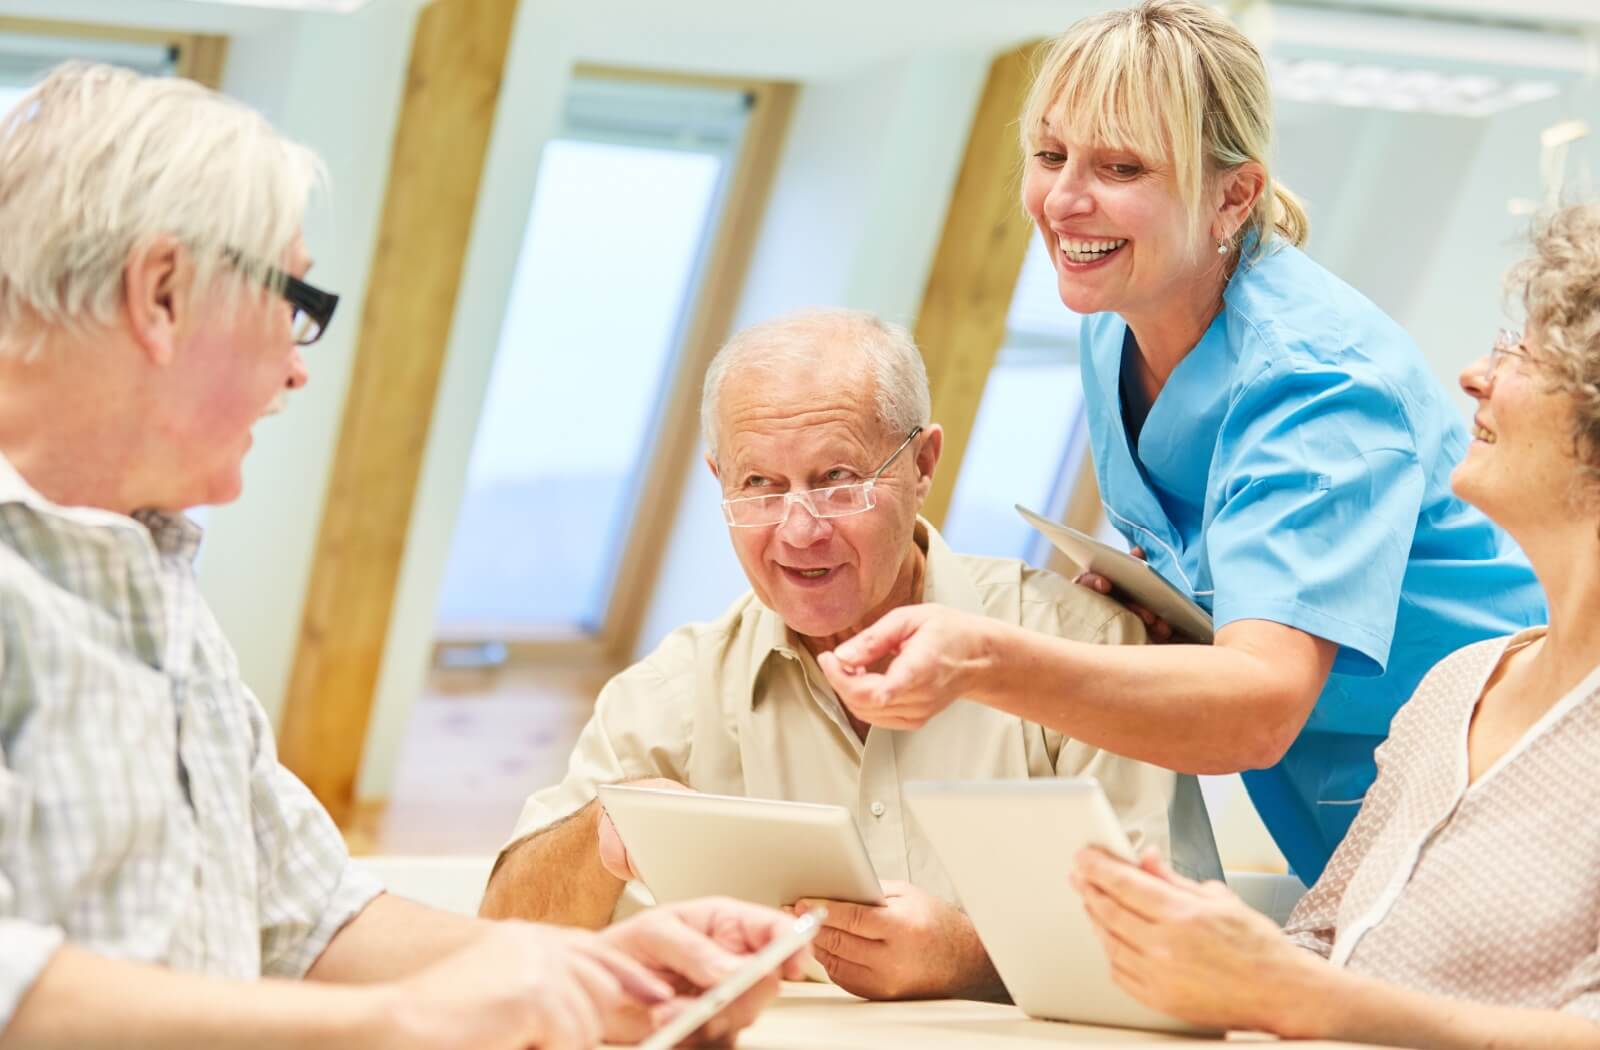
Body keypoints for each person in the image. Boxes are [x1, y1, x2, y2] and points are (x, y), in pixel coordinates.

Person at [0, 62, 806, 1050]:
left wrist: (602, 973)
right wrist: (400, 1022)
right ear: (161, 292)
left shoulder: (148, 578)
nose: (298, 363)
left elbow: (311, 916)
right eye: (292, 299)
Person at [816, 0, 1544, 883]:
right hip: (1336, 804)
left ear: (1235, 193)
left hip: (1491, 791)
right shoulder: (1116, 316)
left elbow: (1260, 705)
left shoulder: (1321, 381)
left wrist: (984, 657)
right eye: (1049, 156)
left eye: (1120, 166)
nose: (1064, 199)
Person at [481, 308, 1220, 1001]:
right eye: (760, 487)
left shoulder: (1082, 649)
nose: (798, 531)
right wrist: (607, 823)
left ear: (923, 463)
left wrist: (970, 957)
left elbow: (1193, 962)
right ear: (719, 481)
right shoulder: (672, 694)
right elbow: (500, 948)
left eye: (838, 482)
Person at [1072, 203, 1600, 1048]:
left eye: (1522, 355)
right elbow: (1324, 941)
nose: (1473, 376)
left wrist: (1298, 998)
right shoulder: (1459, 686)